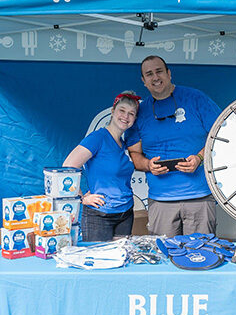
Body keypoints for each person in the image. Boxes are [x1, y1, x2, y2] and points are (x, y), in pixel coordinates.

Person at [126, 56, 221, 237]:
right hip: (161, 201)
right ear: (143, 81)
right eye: (149, 74)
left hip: (199, 198)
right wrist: (148, 165)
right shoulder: (140, 111)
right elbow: (134, 154)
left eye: (159, 71)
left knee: (200, 255)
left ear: (169, 73)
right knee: (164, 258)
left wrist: (200, 158)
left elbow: (221, 135)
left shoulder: (196, 98)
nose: (155, 77)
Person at [63, 91, 140, 242]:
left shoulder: (125, 144)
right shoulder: (98, 138)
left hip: (125, 213)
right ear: (113, 111)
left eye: (131, 113)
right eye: (122, 110)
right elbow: (68, 166)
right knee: (100, 260)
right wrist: (82, 197)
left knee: (121, 259)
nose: (126, 116)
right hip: (99, 215)